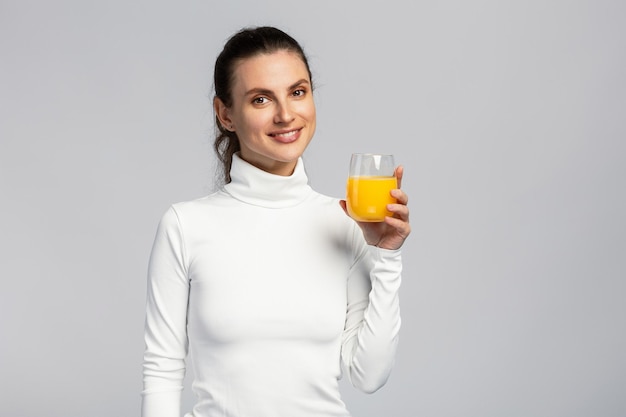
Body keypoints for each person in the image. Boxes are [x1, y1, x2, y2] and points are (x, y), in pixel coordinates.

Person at [141, 26, 411, 417]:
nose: (286, 115)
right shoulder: (185, 225)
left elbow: (368, 376)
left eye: (297, 92)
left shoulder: (347, 224)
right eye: (261, 99)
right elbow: (162, 371)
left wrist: (386, 255)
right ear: (226, 114)